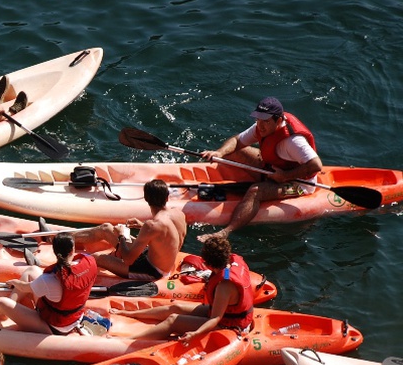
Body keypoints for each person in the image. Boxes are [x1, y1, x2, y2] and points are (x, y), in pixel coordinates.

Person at [197, 97, 323, 242]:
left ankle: (225, 232)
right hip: (273, 168)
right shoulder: (262, 126)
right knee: (233, 151)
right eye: (258, 119)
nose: (260, 126)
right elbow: (237, 141)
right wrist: (219, 153)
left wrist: (285, 176)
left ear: (278, 121)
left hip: (298, 183)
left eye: (266, 121)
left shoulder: (294, 141)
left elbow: (316, 165)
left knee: (255, 191)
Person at [0, 233, 98, 335]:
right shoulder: (89, 262)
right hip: (73, 317)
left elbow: (24, 287)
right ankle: (7, 312)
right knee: (32, 269)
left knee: (1, 302)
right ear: (73, 249)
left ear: (54, 251)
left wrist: (14, 282)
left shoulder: (49, 280)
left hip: (54, 327)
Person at [119, 236, 254, 342]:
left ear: (208, 263)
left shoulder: (224, 286)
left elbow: (215, 318)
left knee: (173, 320)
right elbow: (225, 276)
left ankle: (129, 340)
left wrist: (195, 334)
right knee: (175, 308)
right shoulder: (231, 264)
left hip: (230, 325)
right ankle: (131, 314)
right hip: (224, 314)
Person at [72, 179, 187, 279]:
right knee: (106, 228)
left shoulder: (152, 226)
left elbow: (128, 260)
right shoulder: (179, 214)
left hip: (153, 270)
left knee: (97, 258)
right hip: (151, 256)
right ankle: (67, 238)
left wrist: (121, 236)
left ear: (146, 198)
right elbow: (169, 236)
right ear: (167, 197)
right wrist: (141, 226)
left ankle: (69, 270)